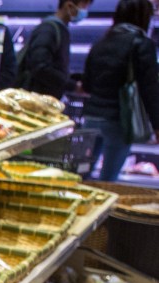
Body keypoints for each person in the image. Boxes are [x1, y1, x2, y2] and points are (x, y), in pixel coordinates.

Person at [82, 0, 159, 180]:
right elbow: (150, 88)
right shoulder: (141, 44)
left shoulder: (100, 42)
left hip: (92, 117)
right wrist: (157, 124)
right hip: (120, 120)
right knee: (109, 179)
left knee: (81, 175)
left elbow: (87, 84)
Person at [16, 0, 93, 98]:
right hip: (37, 98)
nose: (85, 11)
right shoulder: (48, 30)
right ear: (69, 6)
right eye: (84, 6)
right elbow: (40, 67)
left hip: (44, 97)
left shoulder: (58, 29)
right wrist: (72, 86)